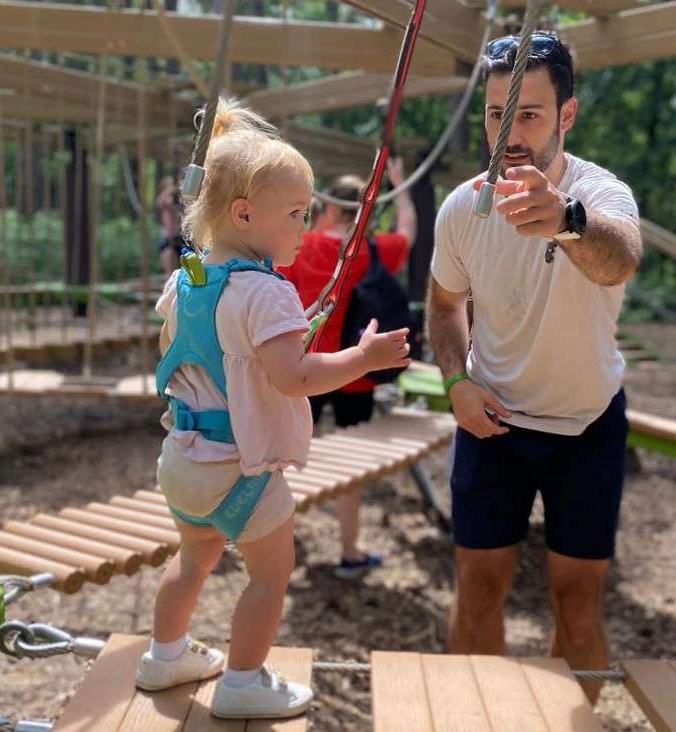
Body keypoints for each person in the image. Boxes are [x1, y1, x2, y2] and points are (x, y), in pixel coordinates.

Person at [140, 98, 411, 719]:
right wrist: (361, 360)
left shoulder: (187, 280)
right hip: (241, 468)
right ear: (243, 213)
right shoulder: (266, 291)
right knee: (270, 575)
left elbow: (182, 347)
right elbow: (295, 377)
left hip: (182, 458)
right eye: (294, 213)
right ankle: (241, 683)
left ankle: (165, 656)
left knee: (192, 560)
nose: (303, 224)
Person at [425, 31, 642, 703]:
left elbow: (622, 257)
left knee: (577, 606)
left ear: (566, 116)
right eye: (496, 114)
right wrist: (456, 383)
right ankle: (477, 719)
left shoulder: (600, 194)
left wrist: (567, 220)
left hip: (586, 426)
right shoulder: (463, 206)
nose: (509, 133)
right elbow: (441, 307)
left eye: (529, 114)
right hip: (494, 424)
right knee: (478, 590)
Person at [278, 158, 416, 579]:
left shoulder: (304, 246)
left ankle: (280, 545)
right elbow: (408, 231)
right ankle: (350, 551)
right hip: (357, 369)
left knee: (287, 458)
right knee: (351, 466)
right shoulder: (372, 252)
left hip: (309, 369)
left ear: (331, 208)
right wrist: (400, 187)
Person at [156, 176, 185, 275]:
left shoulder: (177, 203)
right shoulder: (163, 201)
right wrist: (172, 188)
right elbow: (161, 201)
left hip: (180, 238)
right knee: (170, 272)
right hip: (168, 239)